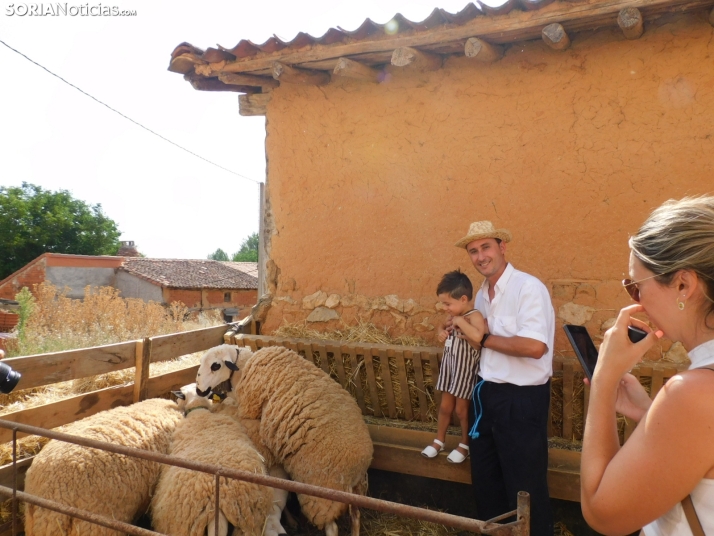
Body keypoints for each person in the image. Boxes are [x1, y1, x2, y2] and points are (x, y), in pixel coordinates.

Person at [581, 196, 714, 535]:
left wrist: (603, 380)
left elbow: (602, 513)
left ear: (683, 284)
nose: (634, 300)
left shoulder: (693, 393)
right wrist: (652, 413)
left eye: (636, 286)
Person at [454, 220, 555, 536]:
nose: (481, 256)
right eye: (473, 251)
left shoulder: (529, 288)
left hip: (521, 400)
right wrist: (457, 328)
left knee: (525, 486)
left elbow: (535, 347)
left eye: (486, 247)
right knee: (486, 481)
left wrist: (483, 339)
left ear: (502, 247)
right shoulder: (482, 294)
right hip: (486, 394)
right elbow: (479, 335)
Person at [421, 270, 484, 464]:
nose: (445, 308)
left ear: (463, 299)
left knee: (462, 410)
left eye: (448, 303)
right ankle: (439, 440)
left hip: (465, 370)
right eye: (443, 303)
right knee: (445, 406)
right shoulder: (452, 316)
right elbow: (441, 327)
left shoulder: (474, 316)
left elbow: (479, 338)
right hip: (450, 368)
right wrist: (441, 332)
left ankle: (465, 444)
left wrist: (459, 322)